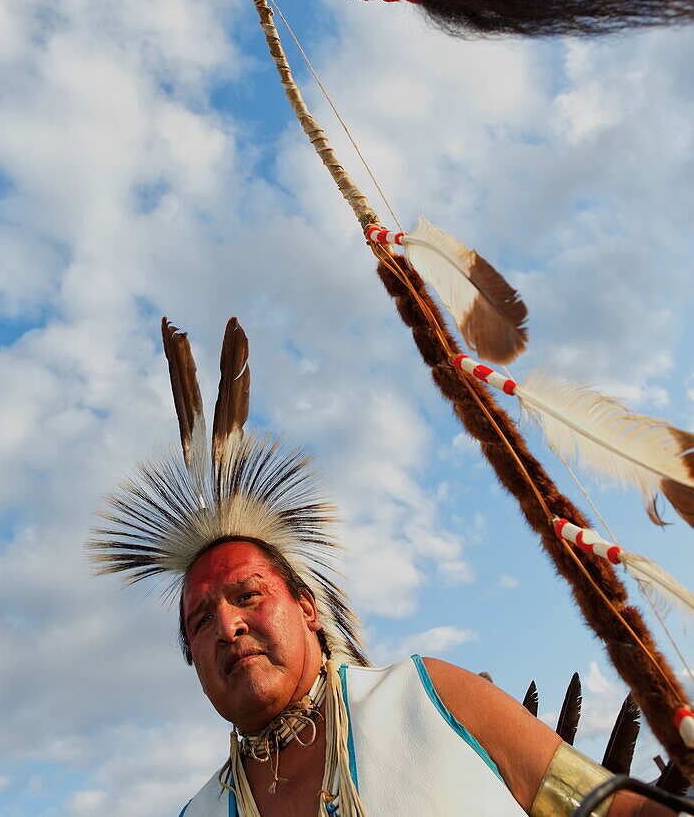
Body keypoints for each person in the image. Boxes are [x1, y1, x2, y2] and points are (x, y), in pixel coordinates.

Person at [91, 318, 677, 816]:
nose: (226, 626)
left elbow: (615, 812)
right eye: (199, 621)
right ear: (191, 657)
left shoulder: (434, 700)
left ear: (307, 607)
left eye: (247, 594)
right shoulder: (202, 812)